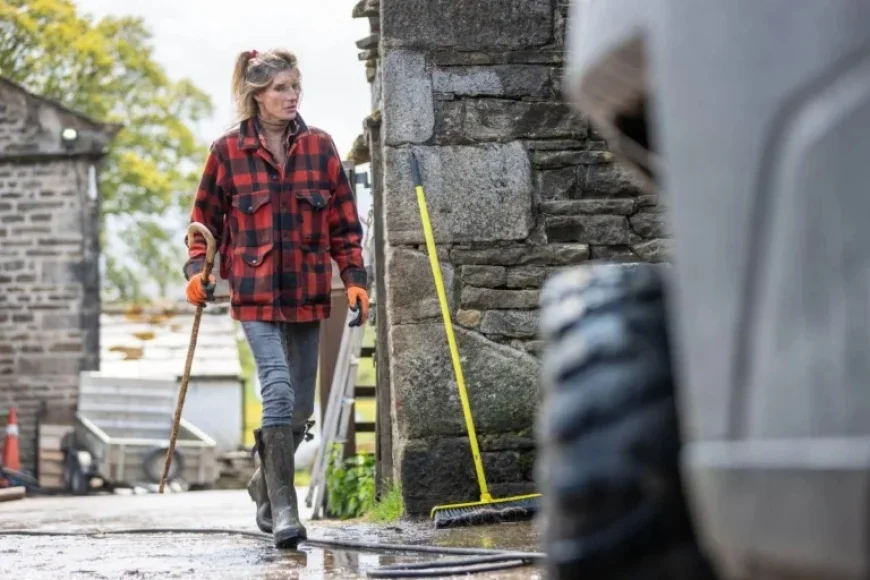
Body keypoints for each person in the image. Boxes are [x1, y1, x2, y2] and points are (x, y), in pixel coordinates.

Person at [182, 48, 369, 549]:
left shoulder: (321, 148)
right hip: (255, 294)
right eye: (281, 89)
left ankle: (264, 484)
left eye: (295, 87)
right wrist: (197, 272)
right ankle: (286, 510)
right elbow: (204, 222)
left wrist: (354, 277)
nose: (292, 97)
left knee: (301, 410)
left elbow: (345, 225)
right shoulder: (227, 152)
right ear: (257, 96)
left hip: (307, 293)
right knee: (279, 389)